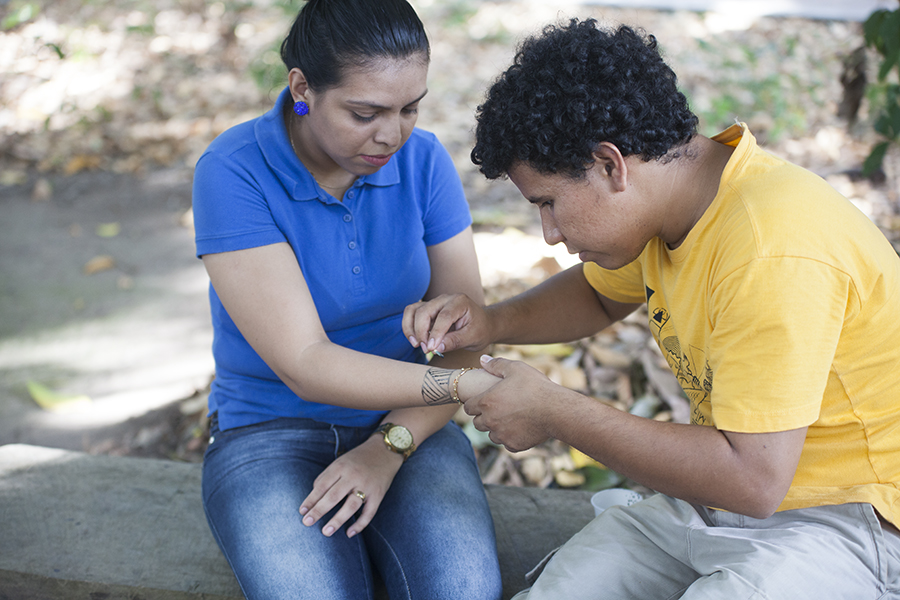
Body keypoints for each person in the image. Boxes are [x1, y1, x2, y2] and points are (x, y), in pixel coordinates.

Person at [403, 18, 900, 599]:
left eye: (549, 203)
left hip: (848, 521)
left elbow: (754, 478)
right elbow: (594, 294)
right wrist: (493, 322)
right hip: (716, 505)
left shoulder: (770, 249)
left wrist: (557, 412)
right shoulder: (676, 208)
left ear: (610, 164)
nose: (549, 234)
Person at [190, 1, 503, 598]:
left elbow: (470, 339)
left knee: (461, 588)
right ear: (302, 88)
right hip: (268, 432)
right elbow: (306, 364)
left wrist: (389, 447)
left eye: (411, 108)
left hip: (409, 426)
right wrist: (471, 387)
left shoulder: (424, 160)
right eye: (365, 112)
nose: (392, 134)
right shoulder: (233, 173)